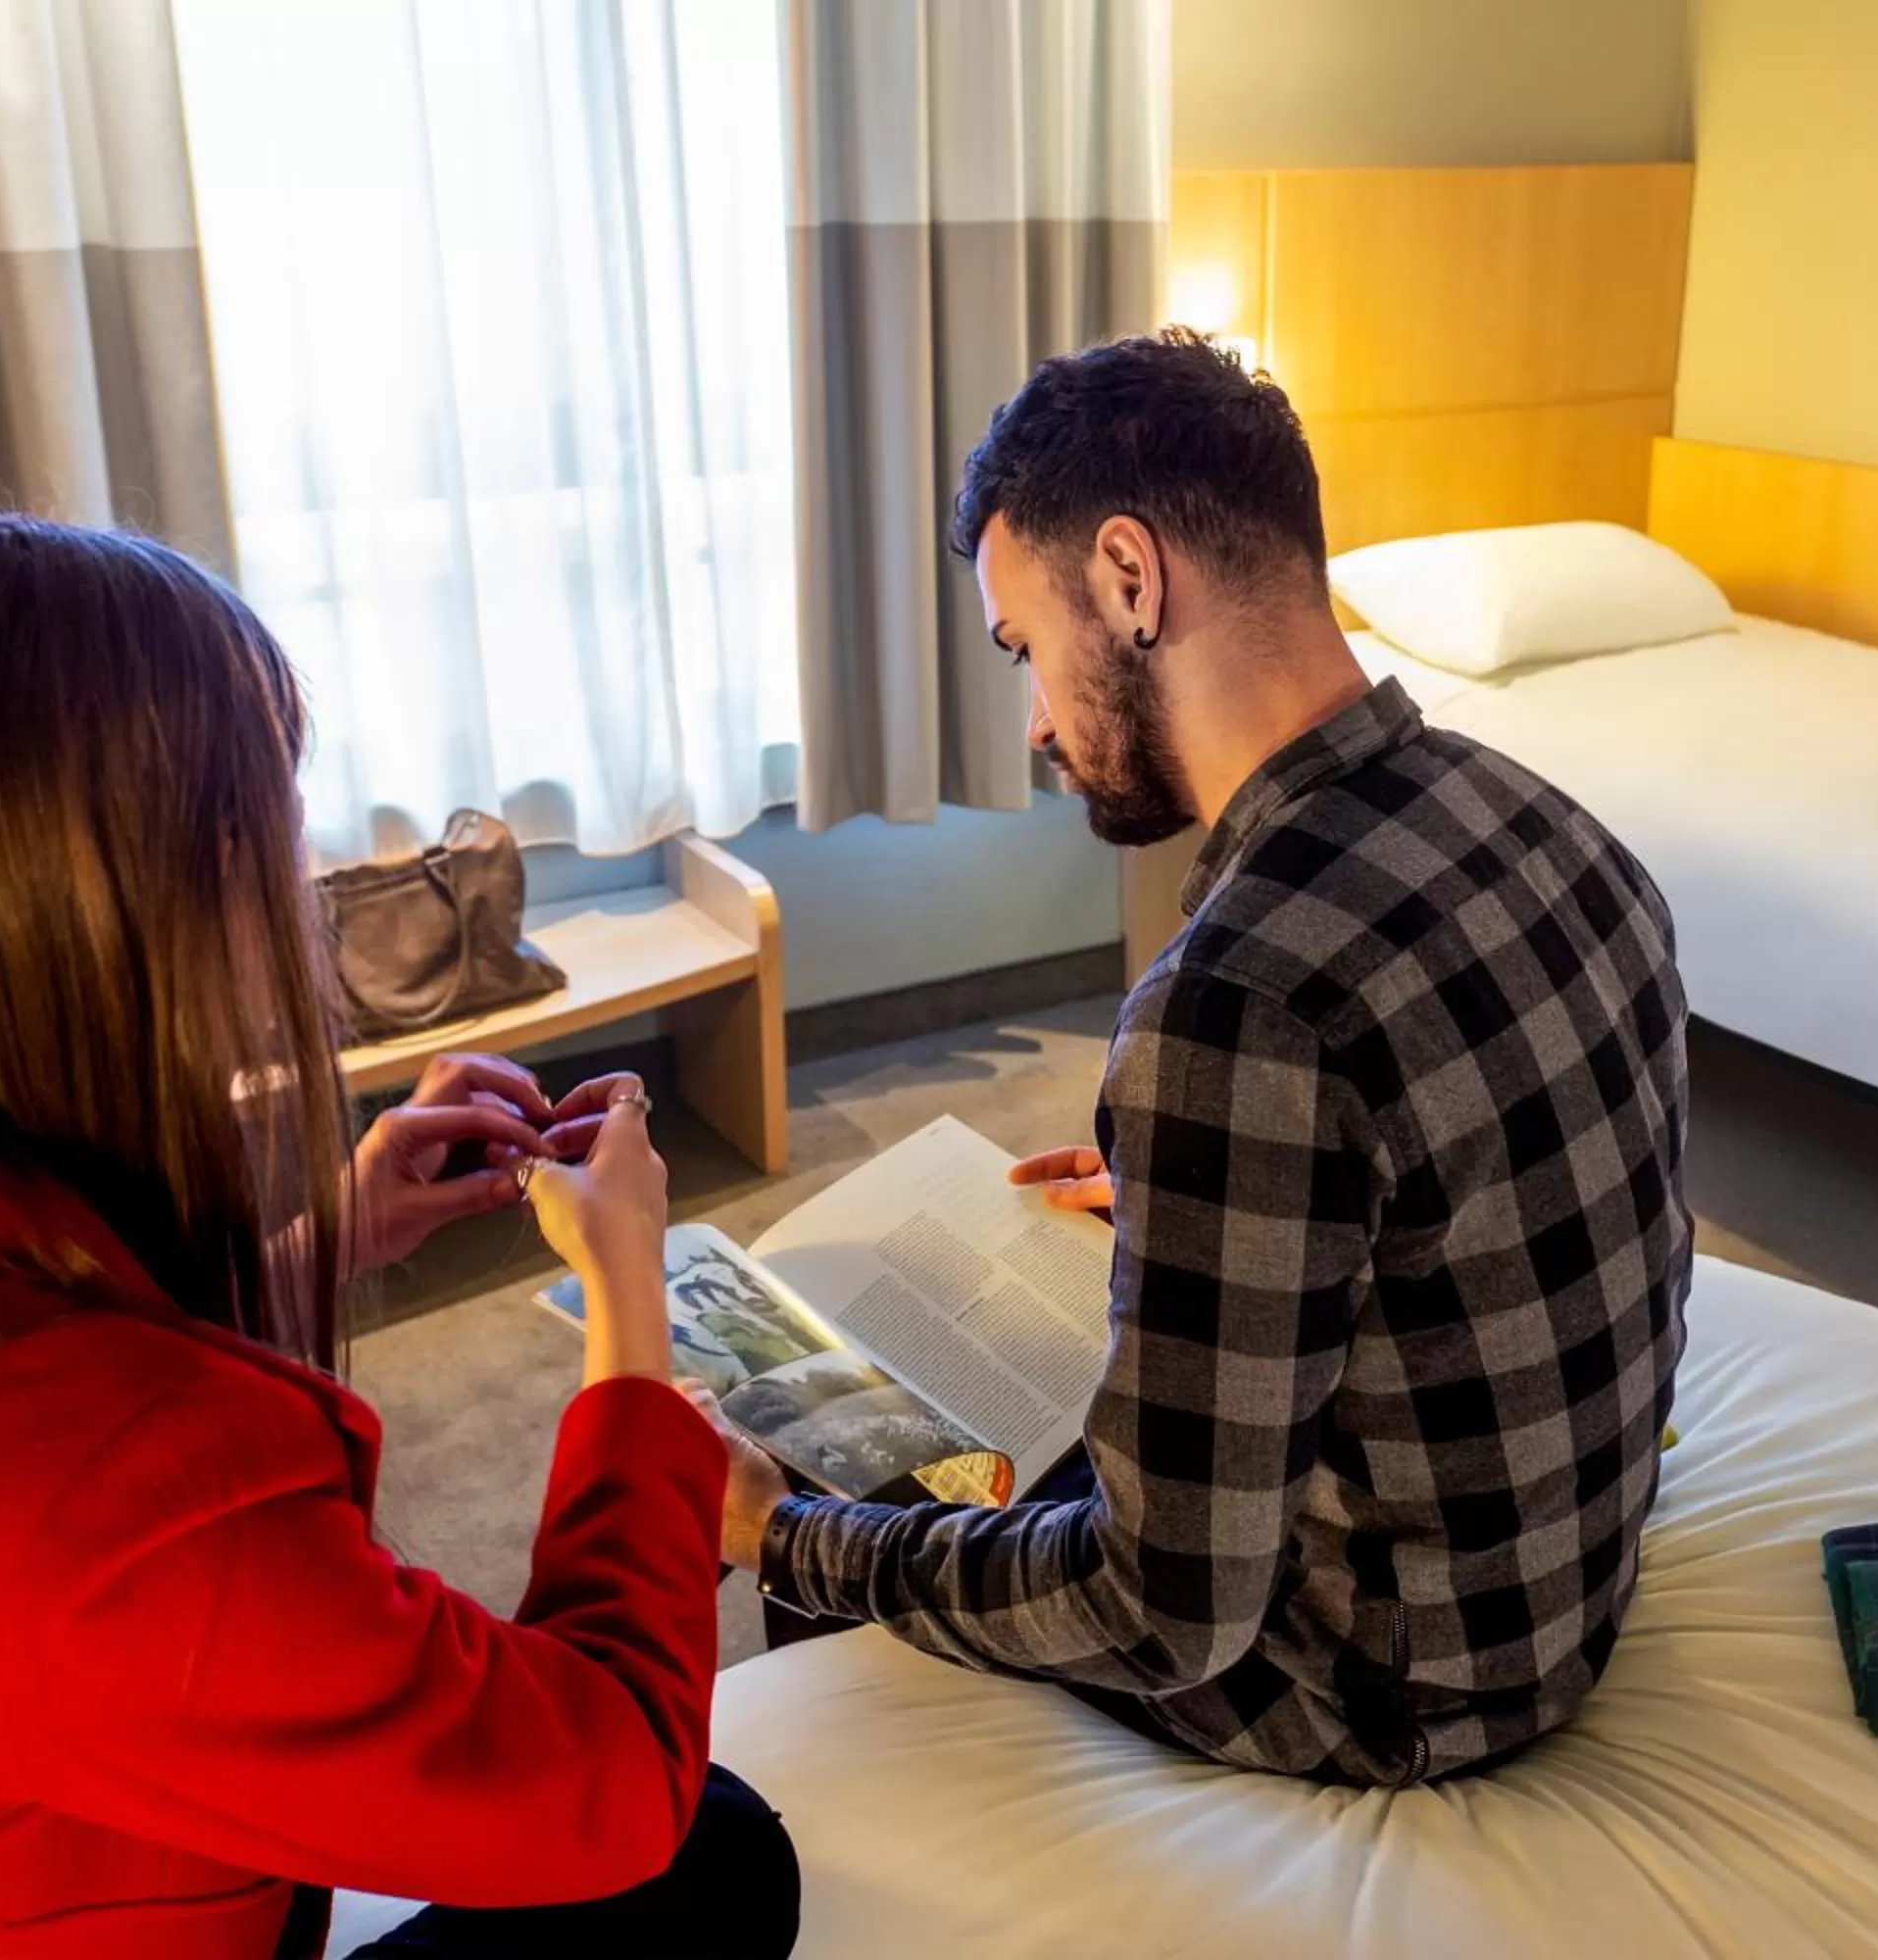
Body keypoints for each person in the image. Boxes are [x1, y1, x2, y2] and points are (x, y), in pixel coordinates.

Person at [0, 515, 798, 1959]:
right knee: (711, 1856)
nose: (307, 889)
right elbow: (607, 1780)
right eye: (283, 828)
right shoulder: (117, 1499)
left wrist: (323, 1236)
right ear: (178, 889)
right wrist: (628, 1304)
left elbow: (2, 1331)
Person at [714, 330, 1694, 1787]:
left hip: (1388, 1685)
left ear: (1129, 576)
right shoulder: (1554, 824)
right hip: (1559, 1589)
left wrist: (782, 1536)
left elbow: (1162, 1611)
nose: (1036, 723)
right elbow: (1460, 1166)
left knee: (833, 1455)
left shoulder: (1238, 1002)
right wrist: (1218, 1205)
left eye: (1025, 650)